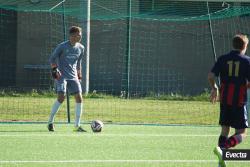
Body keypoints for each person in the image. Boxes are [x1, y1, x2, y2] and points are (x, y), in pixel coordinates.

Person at [208, 34, 250, 167]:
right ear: (245, 46)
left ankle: (221, 161)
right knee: (242, 133)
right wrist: (245, 86)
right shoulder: (247, 61)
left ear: (233, 44)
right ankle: (223, 149)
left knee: (225, 130)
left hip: (225, 99)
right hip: (239, 100)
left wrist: (214, 88)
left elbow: (210, 76)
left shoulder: (222, 59)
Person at [48, 26, 86, 132]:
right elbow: (52, 58)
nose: (77, 37)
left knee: (79, 98)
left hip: (73, 77)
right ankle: (50, 122)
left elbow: (79, 62)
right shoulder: (62, 46)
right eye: (74, 35)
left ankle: (77, 126)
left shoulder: (81, 48)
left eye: (79, 35)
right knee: (61, 98)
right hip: (62, 77)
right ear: (70, 36)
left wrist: (79, 74)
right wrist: (55, 70)